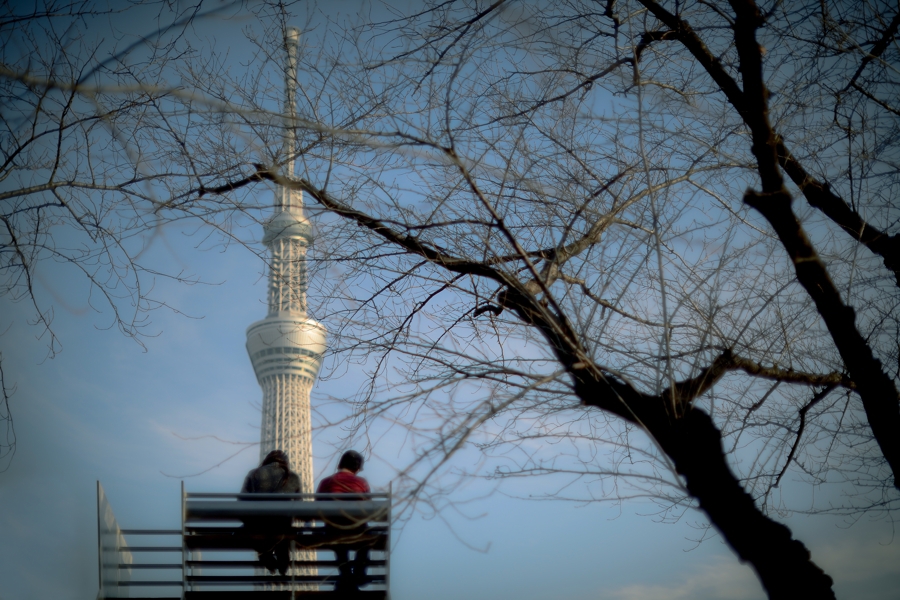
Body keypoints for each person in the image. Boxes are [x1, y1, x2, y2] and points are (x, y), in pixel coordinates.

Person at [316, 450, 371, 593]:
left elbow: (317, 507)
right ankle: (358, 573)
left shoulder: (326, 482)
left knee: (337, 537)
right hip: (357, 530)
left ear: (340, 464)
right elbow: (369, 508)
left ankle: (346, 576)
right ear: (357, 468)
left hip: (334, 530)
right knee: (367, 536)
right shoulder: (361, 483)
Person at [241, 450, 301, 575]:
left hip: (258, 528)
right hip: (283, 527)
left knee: (254, 528)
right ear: (285, 463)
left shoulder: (254, 474)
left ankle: (264, 551)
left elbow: (241, 504)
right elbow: (299, 508)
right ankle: (281, 554)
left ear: (267, 460)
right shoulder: (293, 477)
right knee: (283, 525)